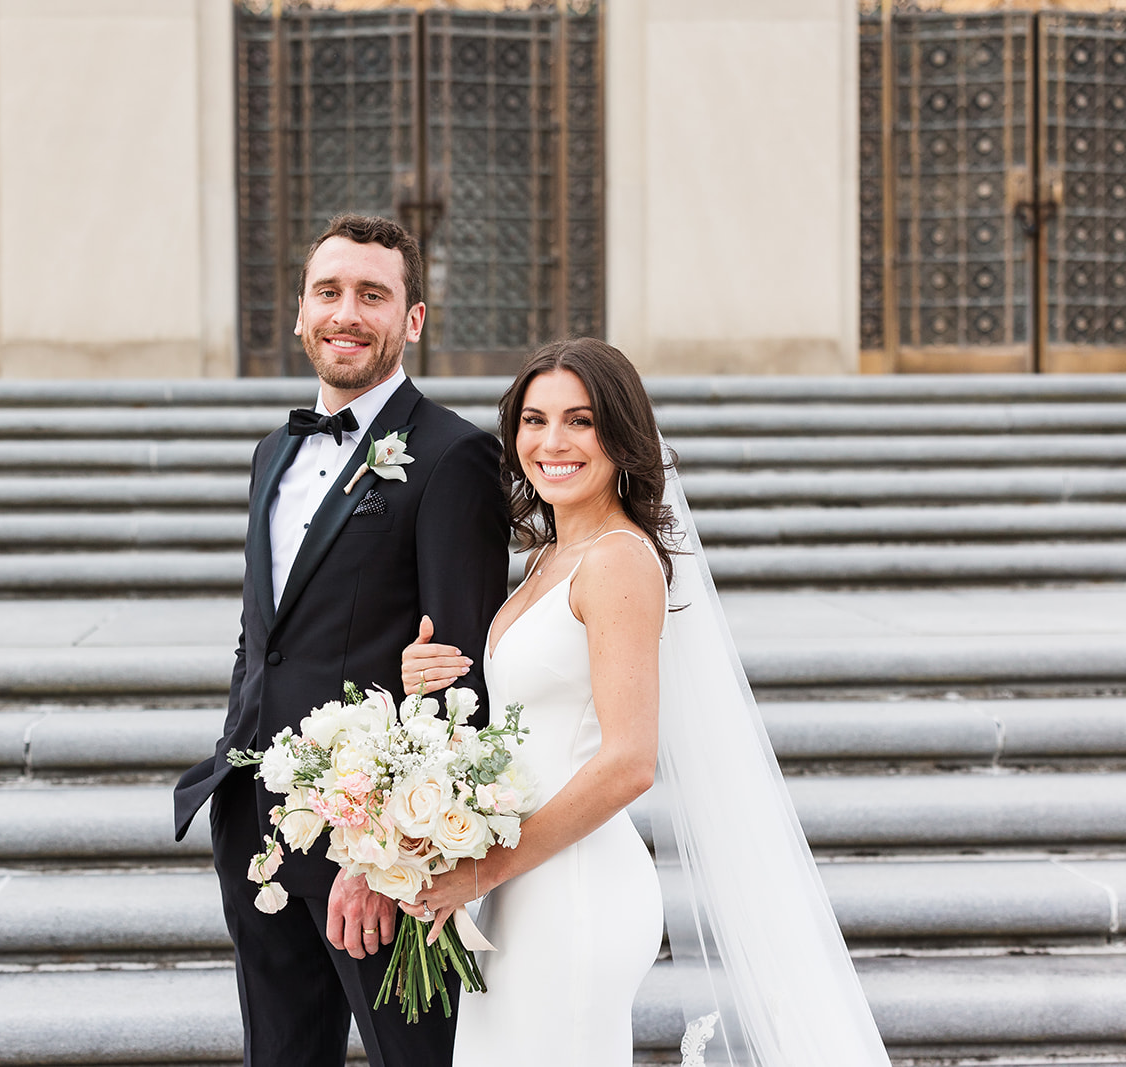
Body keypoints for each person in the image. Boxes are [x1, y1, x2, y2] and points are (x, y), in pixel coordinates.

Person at [401, 338, 890, 1067]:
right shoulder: (546, 558)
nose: (551, 441)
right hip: (518, 882)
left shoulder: (619, 562)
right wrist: (427, 676)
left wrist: (483, 870)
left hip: (573, 888)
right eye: (534, 420)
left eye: (580, 420)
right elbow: (532, 721)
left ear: (622, 436)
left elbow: (629, 761)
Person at [173, 213, 509, 1067]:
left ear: (414, 319)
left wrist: (388, 852)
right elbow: (265, 633)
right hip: (257, 820)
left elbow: (458, 682)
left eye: (373, 294)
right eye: (329, 292)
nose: (346, 313)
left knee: (416, 1057)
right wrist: (233, 759)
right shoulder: (271, 453)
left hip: (375, 847)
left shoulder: (454, 457)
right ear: (299, 311)